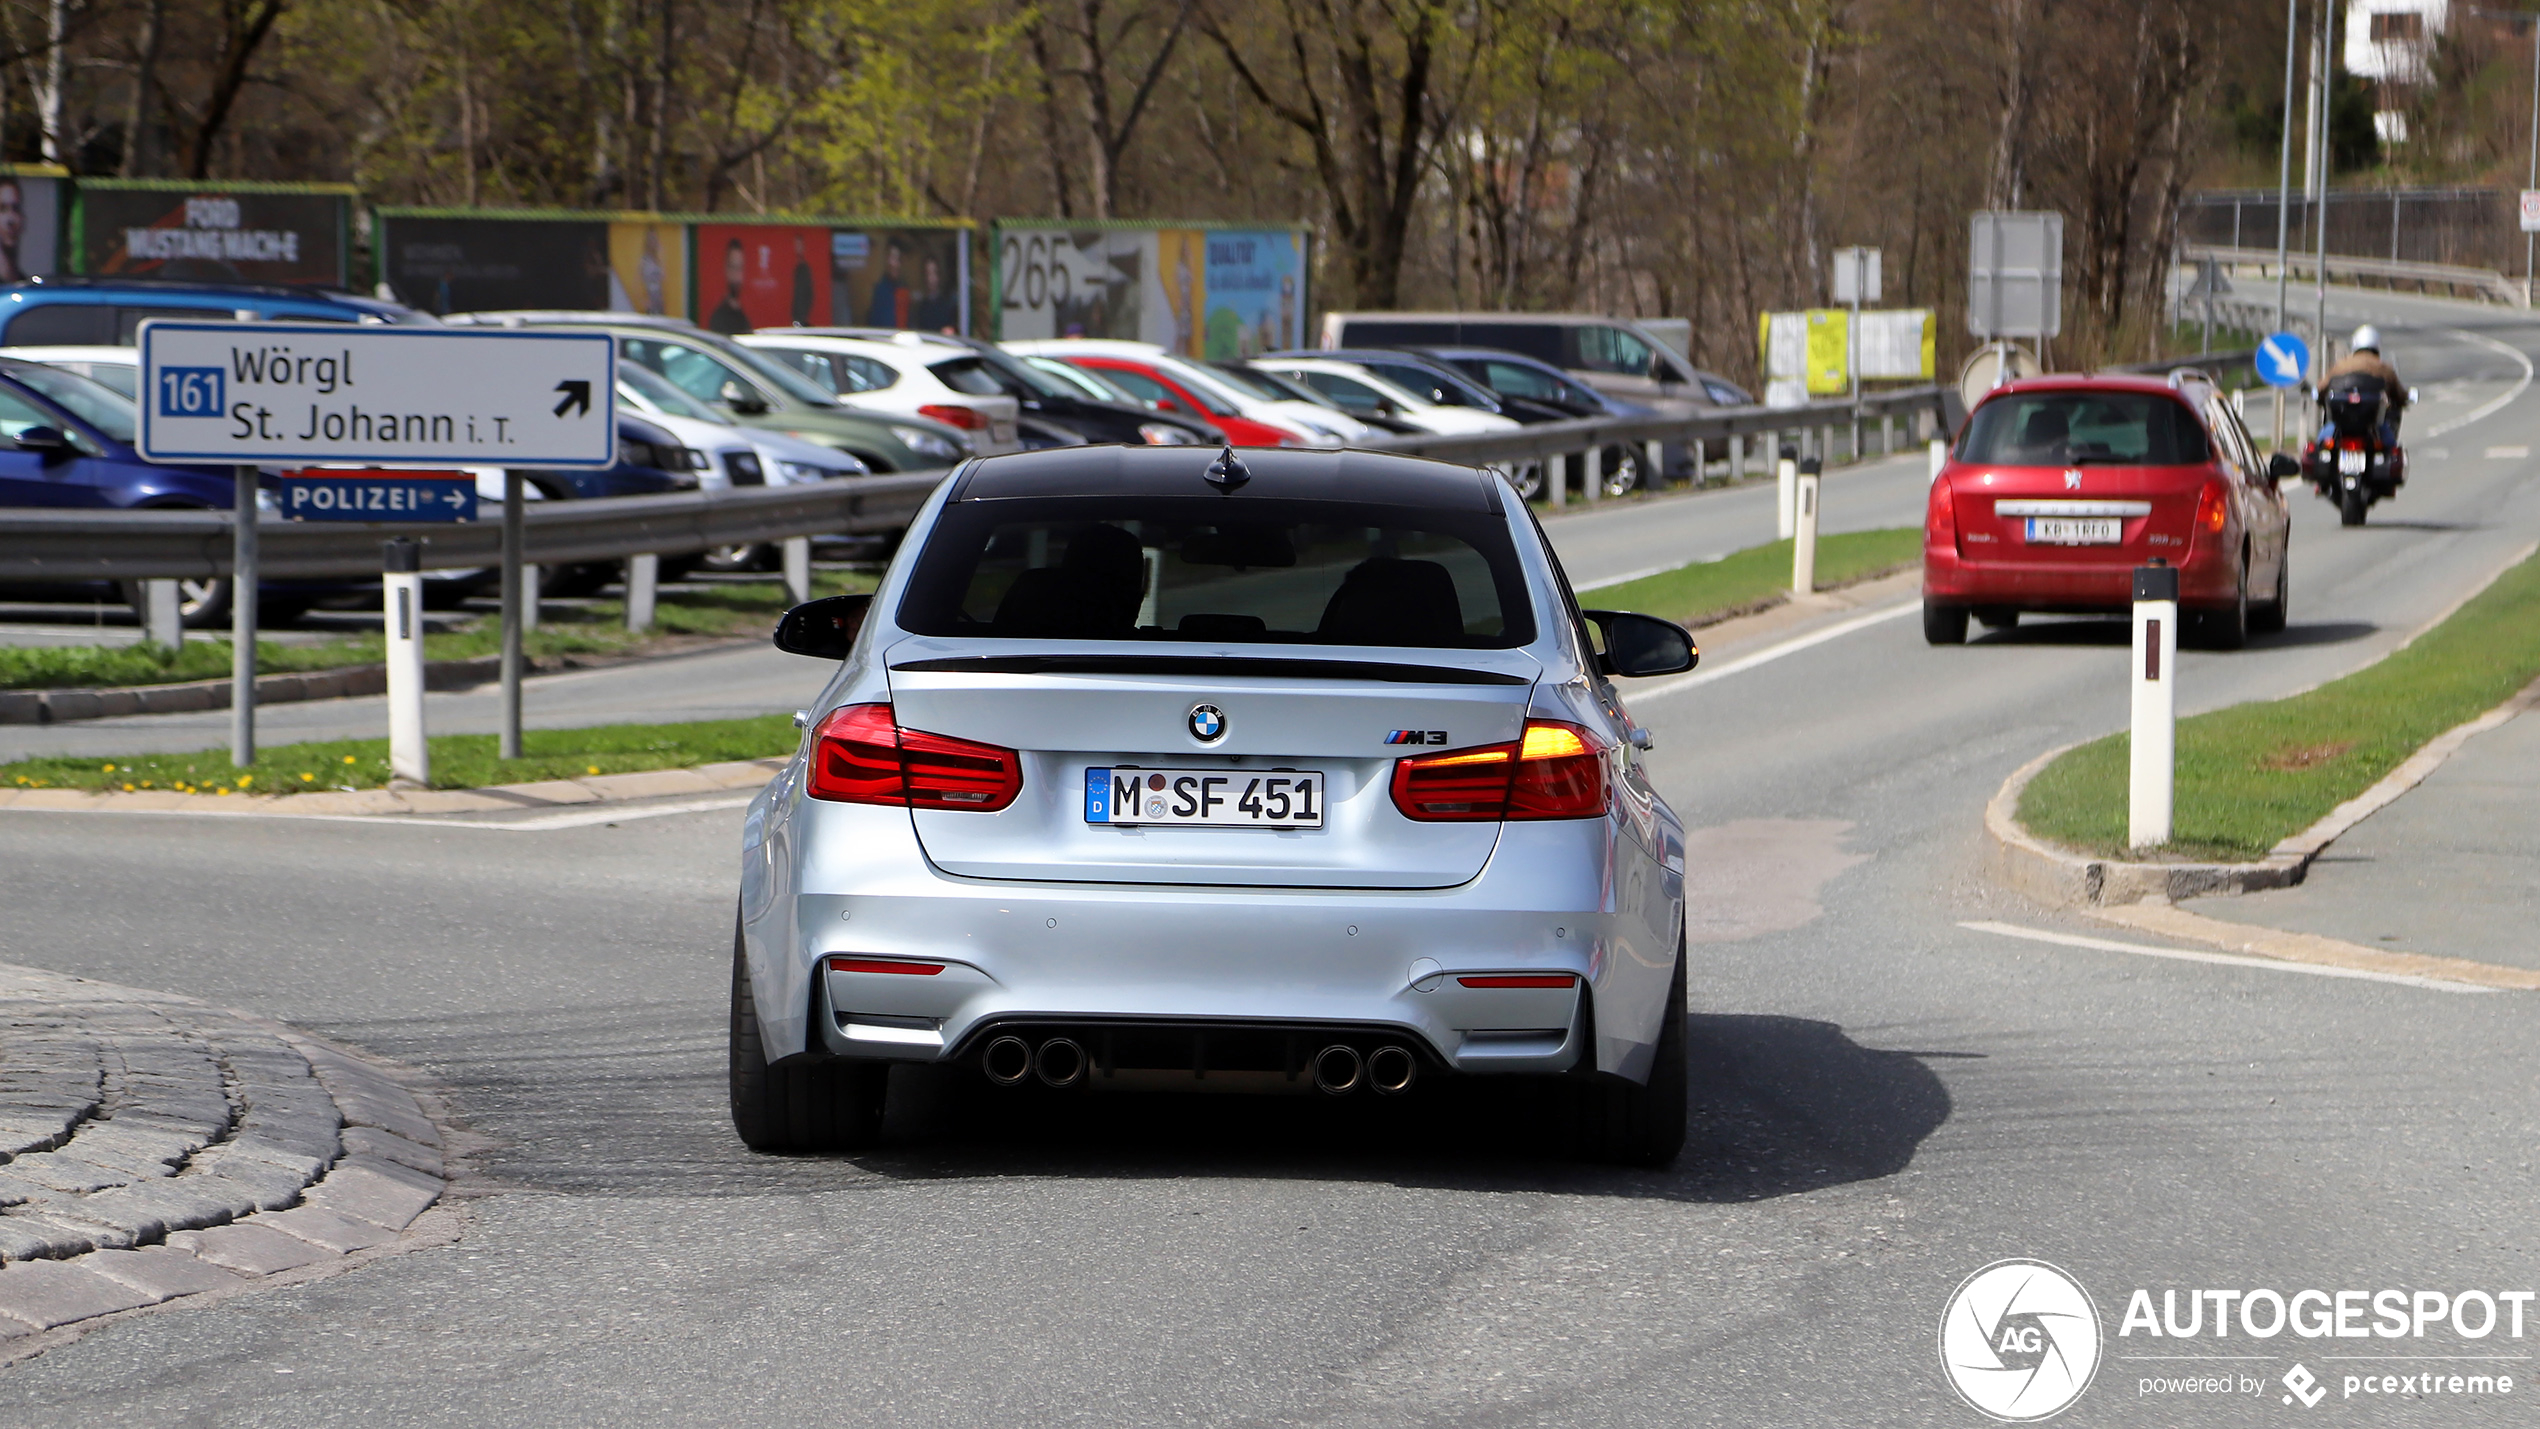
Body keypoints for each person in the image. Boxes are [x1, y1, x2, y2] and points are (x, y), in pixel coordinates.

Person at [2321, 324, 2406, 443]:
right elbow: (2399, 394)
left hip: (2341, 422)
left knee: (2324, 438)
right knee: (2390, 446)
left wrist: (2321, 400)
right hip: (2372, 425)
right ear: (2377, 347)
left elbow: (2322, 388)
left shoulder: (2341, 365)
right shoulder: (2383, 368)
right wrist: (2403, 400)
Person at [707, 239, 751, 335]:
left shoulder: (746, 314)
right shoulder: (719, 318)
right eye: (733, 267)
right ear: (726, 270)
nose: (737, 275)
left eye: (740, 268)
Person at [865, 241, 909, 328]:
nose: (895, 264)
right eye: (893, 258)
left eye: (898, 259)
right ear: (887, 259)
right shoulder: (880, 291)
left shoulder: (905, 290)